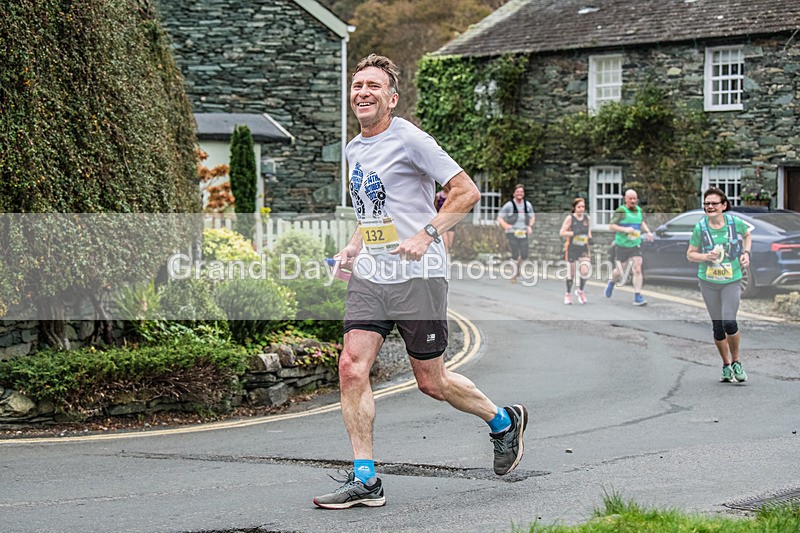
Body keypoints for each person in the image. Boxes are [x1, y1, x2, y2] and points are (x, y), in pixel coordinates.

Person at [314, 54, 528, 510]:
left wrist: (427, 234)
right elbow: (373, 208)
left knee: (431, 381)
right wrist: (353, 248)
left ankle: (503, 421)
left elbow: (465, 191)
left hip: (419, 275)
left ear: (391, 98)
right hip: (372, 273)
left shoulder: (410, 138)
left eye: (373, 86)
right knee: (351, 367)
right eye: (357, 86)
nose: (363, 93)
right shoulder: (355, 148)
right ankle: (366, 478)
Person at [686, 187, 751, 383]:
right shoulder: (700, 227)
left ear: (723, 205)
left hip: (731, 280)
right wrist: (705, 256)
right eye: (707, 204)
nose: (710, 207)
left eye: (714, 203)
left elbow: (747, 235)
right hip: (708, 282)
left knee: (729, 322)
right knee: (718, 327)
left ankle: (737, 361)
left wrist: (746, 253)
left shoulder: (734, 223)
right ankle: (726, 365)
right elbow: (690, 253)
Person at [604, 189, 654, 305]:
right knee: (619, 271)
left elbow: (641, 222)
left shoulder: (639, 210)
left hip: (635, 244)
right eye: (630, 199)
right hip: (622, 245)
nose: (633, 201)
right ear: (625, 199)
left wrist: (648, 232)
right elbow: (611, 227)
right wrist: (625, 229)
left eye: (634, 199)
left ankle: (638, 296)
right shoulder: (621, 211)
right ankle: (611, 282)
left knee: (637, 269)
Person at [497, 184, 535, 283]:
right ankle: (513, 274)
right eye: (518, 192)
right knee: (515, 253)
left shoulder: (527, 205)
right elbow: (500, 217)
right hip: (512, 232)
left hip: (523, 232)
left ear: (523, 193)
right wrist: (505, 225)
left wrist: (530, 226)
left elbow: (532, 217)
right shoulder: (509, 205)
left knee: (524, 254)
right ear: (514, 194)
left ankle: (517, 268)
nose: (520, 194)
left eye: (521, 192)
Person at [559, 197, 592, 304]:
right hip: (572, 248)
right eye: (579, 207)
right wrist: (573, 233)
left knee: (585, 271)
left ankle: (580, 291)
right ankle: (568, 294)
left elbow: (589, 232)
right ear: (574, 208)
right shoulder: (570, 218)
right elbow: (562, 232)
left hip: (583, 248)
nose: (581, 209)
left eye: (583, 207)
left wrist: (590, 238)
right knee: (571, 273)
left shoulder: (587, 218)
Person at [434, 189, 456, 254]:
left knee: (450, 243)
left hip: (451, 221)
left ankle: (448, 257)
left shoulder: (452, 195)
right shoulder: (438, 195)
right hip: (442, 221)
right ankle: (446, 260)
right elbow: (435, 208)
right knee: (445, 242)